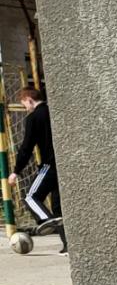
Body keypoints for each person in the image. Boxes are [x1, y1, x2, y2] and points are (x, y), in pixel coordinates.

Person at [11, 85, 65, 251]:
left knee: (30, 197)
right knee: (58, 207)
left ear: (29, 100)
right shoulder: (53, 111)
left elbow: (27, 147)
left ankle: (46, 221)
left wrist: (16, 171)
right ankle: (68, 246)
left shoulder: (34, 117)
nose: (26, 109)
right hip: (63, 165)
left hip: (49, 165)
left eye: (24, 105)